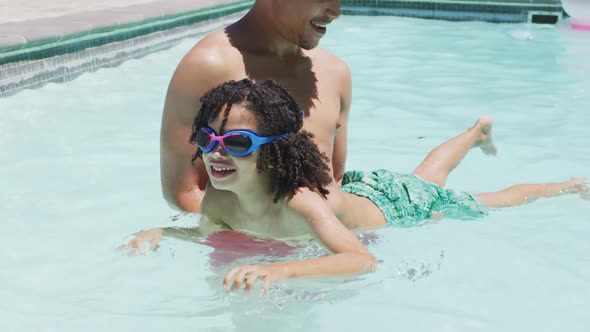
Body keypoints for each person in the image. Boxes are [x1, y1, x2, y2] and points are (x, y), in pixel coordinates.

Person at [133, 79, 588, 295]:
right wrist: (162, 233)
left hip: (398, 206)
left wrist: (281, 271)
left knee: (484, 200)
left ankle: (565, 185)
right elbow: (207, 235)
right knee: (426, 174)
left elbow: (360, 259)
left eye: (236, 142)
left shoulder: (300, 204)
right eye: (208, 139)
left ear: (273, 150)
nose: (217, 153)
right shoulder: (219, 195)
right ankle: (474, 133)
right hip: (362, 190)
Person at [160, 0, 492, 213]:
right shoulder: (208, 66)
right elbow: (185, 192)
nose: (336, 11)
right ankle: (475, 133)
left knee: (451, 197)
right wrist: (266, 237)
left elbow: (332, 181)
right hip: (283, 238)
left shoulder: (335, 73)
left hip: (340, 219)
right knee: (426, 182)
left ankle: (477, 133)